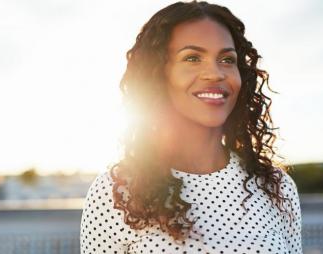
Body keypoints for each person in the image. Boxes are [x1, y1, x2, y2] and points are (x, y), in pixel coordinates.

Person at [80, 1, 302, 253]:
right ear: (158, 74)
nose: (215, 73)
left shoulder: (276, 187)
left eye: (227, 59)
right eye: (192, 58)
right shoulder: (115, 192)